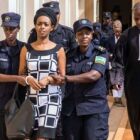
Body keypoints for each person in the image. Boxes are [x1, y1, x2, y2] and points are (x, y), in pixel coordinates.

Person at [19, 7, 66, 140]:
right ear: (35, 26)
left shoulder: (59, 50)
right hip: (31, 99)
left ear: (52, 27)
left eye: (46, 24)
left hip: (51, 99)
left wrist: (50, 79)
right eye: (39, 24)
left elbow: (62, 78)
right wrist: (28, 79)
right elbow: (20, 75)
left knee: (42, 138)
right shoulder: (26, 49)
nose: (42, 27)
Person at [59, 19, 109, 140]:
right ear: (76, 35)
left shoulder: (100, 53)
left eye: (87, 33)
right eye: (80, 33)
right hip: (71, 110)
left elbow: (94, 75)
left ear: (92, 35)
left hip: (94, 109)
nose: (84, 36)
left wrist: (67, 78)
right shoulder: (68, 55)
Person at [112, 2, 140, 140]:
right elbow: (118, 59)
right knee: (135, 116)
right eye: (136, 18)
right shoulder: (127, 35)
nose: (139, 21)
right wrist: (117, 78)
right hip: (134, 84)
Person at [0, 12, 26, 140]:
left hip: (20, 101)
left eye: (12, 28)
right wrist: (16, 78)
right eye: (6, 29)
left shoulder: (25, 48)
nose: (9, 32)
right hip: (2, 101)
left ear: (18, 28)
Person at [106, 20, 124, 106]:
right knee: (113, 80)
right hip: (112, 62)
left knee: (120, 79)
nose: (117, 32)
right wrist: (109, 56)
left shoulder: (125, 38)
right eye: (115, 30)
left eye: (119, 30)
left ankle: (119, 97)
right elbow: (106, 50)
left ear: (121, 29)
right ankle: (116, 98)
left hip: (121, 62)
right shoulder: (109, 39)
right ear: (113, 29)